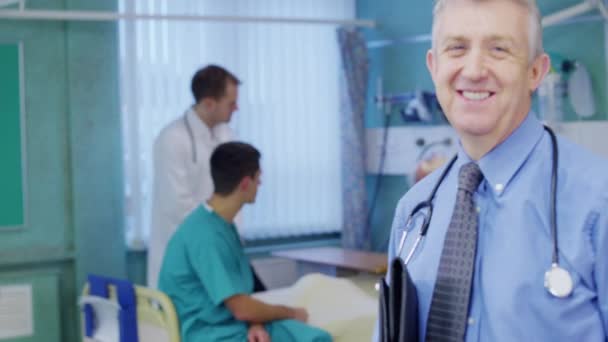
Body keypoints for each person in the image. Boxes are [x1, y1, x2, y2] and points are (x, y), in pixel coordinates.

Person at [377, 0, 608, 341]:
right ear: (433, 66)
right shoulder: (413, 211)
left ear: (536, 71)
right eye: (457, 48)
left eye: (499, 49)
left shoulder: (598, 203)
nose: (473, 70)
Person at [159, 142, 332, 342]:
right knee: (316, 338)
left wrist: (255, 323)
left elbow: (239, 297)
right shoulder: (207, 236)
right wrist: (291, 312)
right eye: (258, 178)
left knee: (308, 335)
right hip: (208, 334)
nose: (260, 184)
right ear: (244, 183)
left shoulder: (219, 224)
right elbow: (241, 309)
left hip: (226, 324)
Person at [147, 65, 265, 292]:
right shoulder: (172, 139)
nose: (237, 108)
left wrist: (230, 240)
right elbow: (178, 206)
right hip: (187, 251)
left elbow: (235, 196)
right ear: (209, 103)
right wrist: (217, 238)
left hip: (220, 246)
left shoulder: (227, 136)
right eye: (231, 103)